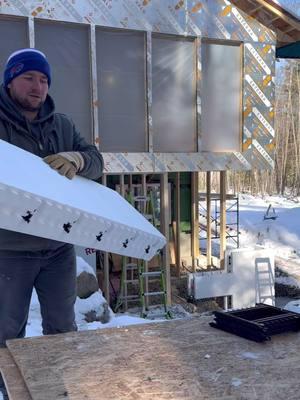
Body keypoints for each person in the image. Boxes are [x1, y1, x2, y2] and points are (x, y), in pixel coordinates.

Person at [0, 48, 103, 346]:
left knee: (62, 329)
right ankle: (7, 389)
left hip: (58, 247)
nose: (38, 86)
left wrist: (78, 159)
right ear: (9, 81)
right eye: (28, 77)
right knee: (7, 334)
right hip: (9, 248)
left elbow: (96, 161)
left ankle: (57, 388)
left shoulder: (62, 125)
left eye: (44, 80)